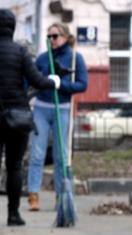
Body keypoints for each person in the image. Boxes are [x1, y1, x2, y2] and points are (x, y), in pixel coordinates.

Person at [0, 9, 60, 230]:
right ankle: (13, 214)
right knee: (15, 167)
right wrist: (54, 81)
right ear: (11, 27)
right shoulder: (19, 52)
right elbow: (36, 79)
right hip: (17, 118)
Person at [26, 23, 87, 211]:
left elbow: (82, 85)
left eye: (55, 36)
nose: (51, 40)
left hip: (63, 108)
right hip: (42, 108)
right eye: (49, 36)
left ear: (65, 37)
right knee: (37, 153)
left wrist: (61, 85)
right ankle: (33, 194)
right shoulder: (43, 59)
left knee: (61, 155)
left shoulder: (75, 58)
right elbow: (30, 79)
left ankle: (61, 195)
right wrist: (43, 83)